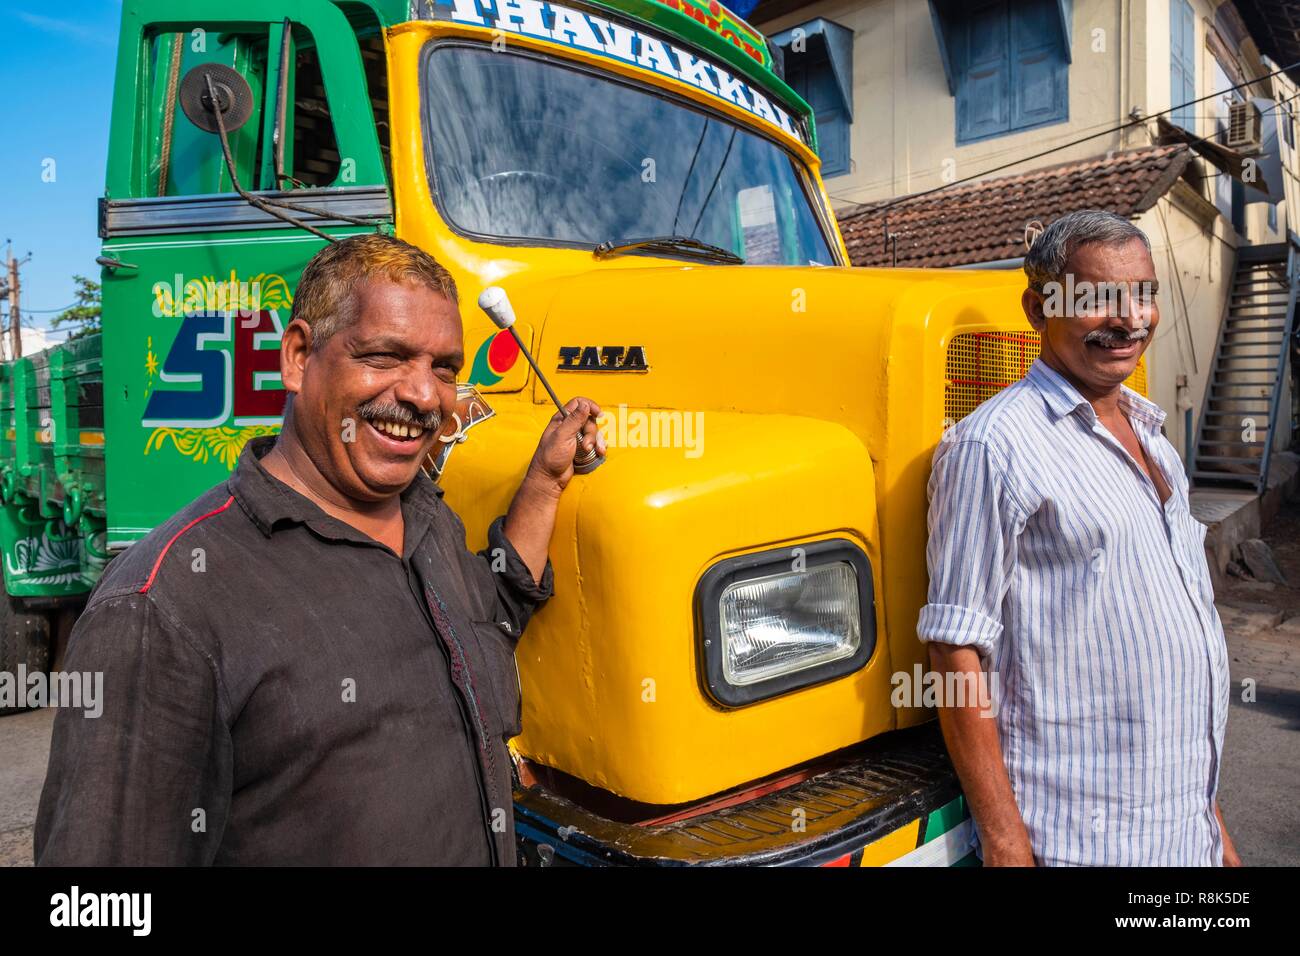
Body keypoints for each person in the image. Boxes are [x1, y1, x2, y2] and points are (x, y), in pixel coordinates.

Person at [36, 233, 604, 865]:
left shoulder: (427, 523)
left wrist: (546, 482)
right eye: (385, 356)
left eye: (443, 367)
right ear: (300, 357)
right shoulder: (160, 610)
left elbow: (495, 614)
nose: (423, 396)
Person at [920, 210, 1238, 866]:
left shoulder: (1156, 443)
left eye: (1144, 294)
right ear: (1038, 310)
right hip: (1081, 842)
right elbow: (955, 651)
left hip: (1186, 839)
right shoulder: (994, 446)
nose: (1130, 319)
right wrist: (1008, 849)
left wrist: (1218, 837)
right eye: (1097, 299)